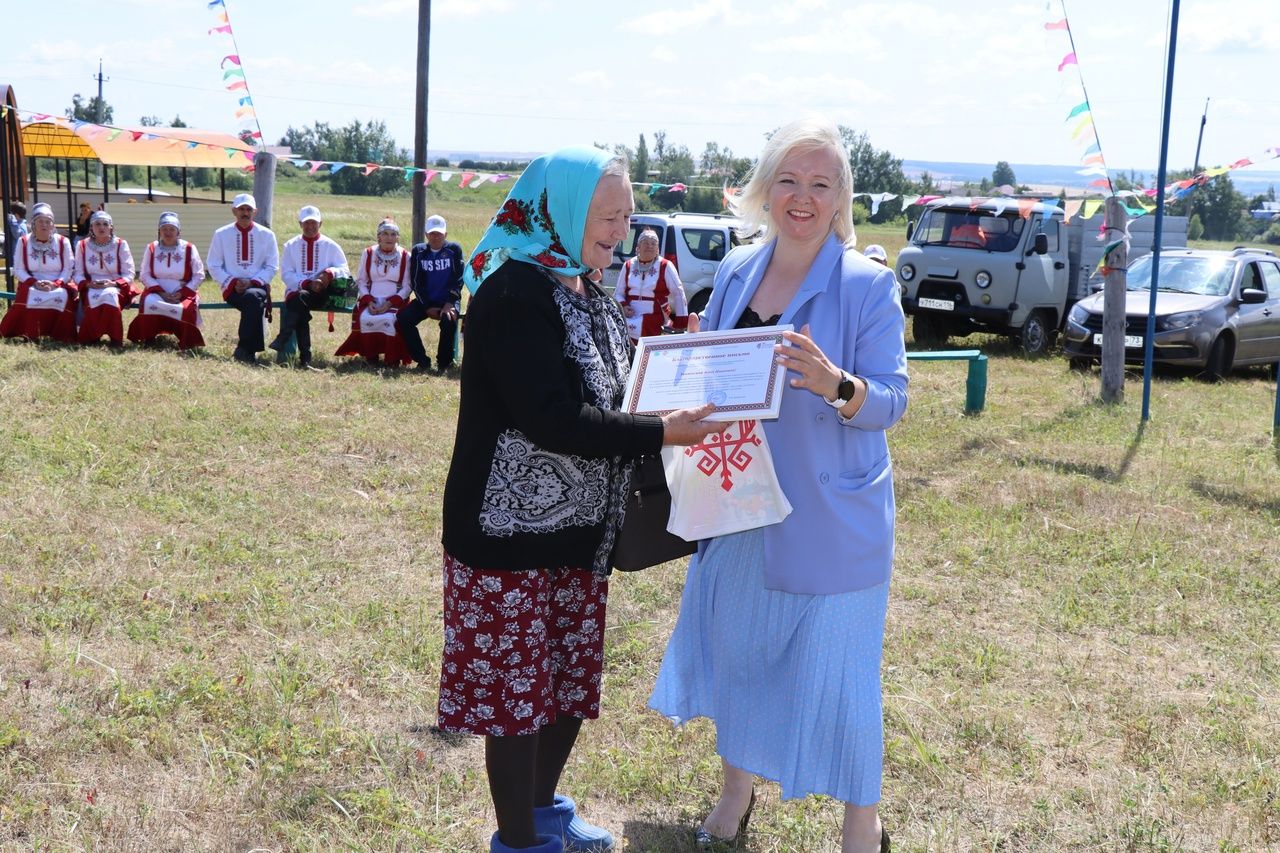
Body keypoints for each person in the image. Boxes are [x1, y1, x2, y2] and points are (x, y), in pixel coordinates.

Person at [437, 146, 727, 853]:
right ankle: (519, 842)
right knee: (516, 703)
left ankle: (540, 812)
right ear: (561, 208)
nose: (618, 230)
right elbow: (552, 418)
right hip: (505, 538)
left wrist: (683, 395)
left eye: (627, 216)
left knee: (565, 687)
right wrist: (663, 428)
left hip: (581, 535)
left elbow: (624, 391)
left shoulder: (589, 289)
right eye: (605, 215)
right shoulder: (513, 295)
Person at [648, 117, 909, 853]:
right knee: (738, 651)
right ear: (765, 189)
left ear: (839, 199)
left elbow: (894, 398)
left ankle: (864, 825)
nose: (802, 196)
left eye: (820, 183)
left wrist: (838, 384)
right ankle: (735, 790)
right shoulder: (734, 270)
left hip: (830, 519)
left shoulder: (868, 285)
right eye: (789, 179)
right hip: (734, 500)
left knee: (842, 679)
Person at [270, 205, 350, 369]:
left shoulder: (331, 245)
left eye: (314, 223)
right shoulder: (291, 246)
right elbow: (286, 274)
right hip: (299, 292)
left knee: (298, 302)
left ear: (321, 223)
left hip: (323, 295)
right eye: (306, 223)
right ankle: (305, 359)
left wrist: (328, 274)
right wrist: (307, 283)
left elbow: (344, 270)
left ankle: (284, 338)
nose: (310, 227)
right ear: (300, 224)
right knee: (300, 301)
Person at [206, 193, 279, 364]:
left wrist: (252, 282)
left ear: (255, 212)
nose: (245, 213)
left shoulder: (267, 235)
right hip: (231, 288)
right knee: (253, 300)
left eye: (248, 209)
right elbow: (213, 265)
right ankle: (248, 350)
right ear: (234, 211)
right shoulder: (221, 234)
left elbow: (272, 266)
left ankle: (244, 349)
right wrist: (232, 282)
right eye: (241, 209)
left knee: (253, 297)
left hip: (257, 285)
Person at [334, 219, 412, 366]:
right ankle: (371, 356)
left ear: (398, 237)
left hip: (395, 299)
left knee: (390, 320)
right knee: (365, 318)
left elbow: (408, 286)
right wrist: (369, 301)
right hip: (372, 299)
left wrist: (390, 303)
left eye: (393, 234)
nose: (389, 238)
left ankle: (392, 359)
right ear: (379, 237)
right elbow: (361, 281)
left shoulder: (406, 256)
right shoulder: (368, 253)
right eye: (385, 234)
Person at [128, 211, 206, 350]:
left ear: (178, 231)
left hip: (181, 291)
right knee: (148, 303)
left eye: (172, 229)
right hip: (157, 291)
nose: (168, 232)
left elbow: (199, 275)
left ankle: (186, 341)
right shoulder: (152, 248)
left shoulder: (189, 248)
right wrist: (161, 293)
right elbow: (145, 274)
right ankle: (148, 337)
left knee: (186, 308)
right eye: (164, 229)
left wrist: (181, 293)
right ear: (159, 231)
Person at [0, 202, 78, 343]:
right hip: (32, 281)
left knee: (63, 294)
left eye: (48, 222)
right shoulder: (23, 241)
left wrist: (57, 283)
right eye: (40, 221)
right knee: (28, 293)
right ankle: (30, 334)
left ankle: (61, 335)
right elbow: (18, 269)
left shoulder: (63, 242)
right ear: (33, 224)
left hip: (58, 282)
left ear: (53, 225)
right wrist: (34, 282)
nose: (44, 225)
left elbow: (69, 268)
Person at [398, 214, 464, 373]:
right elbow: (415, 282)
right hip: (425, 300)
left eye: (439, 233)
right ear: (426, 234)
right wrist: (426, 306)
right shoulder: (419, 251)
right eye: (432, 233)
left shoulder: (454, 249)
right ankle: (422, 360)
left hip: (448, 300)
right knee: (404, 318)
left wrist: (449, 303)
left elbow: (459, 278)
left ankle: (444, 363)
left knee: (449, 320)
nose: (436, 237)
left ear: (445, 234)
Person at [613, 228, 690, 342]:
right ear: (638, 247)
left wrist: (681, 322)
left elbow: (678, 293)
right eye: (645, 243)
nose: (649, 246)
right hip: (630, 317)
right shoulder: (628, 265)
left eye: (653, 243)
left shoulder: (665, 266)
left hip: (654, 318)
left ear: (658, 249)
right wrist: (623, 306)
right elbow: (618, 293)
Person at [75, 210, 136, 346]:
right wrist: (88, 284)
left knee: (110, 296)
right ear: (91, 227)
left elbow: (130, 273)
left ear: (111, 227)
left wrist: (113, 284)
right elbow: (77, 273)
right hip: (91, 286)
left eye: (105, 224)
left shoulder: (121, 244)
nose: (101, 227)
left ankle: (115, 338)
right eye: (97, 224)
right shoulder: (82, 245)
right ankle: (91, 337)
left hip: (116, 287)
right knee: (94, 297)